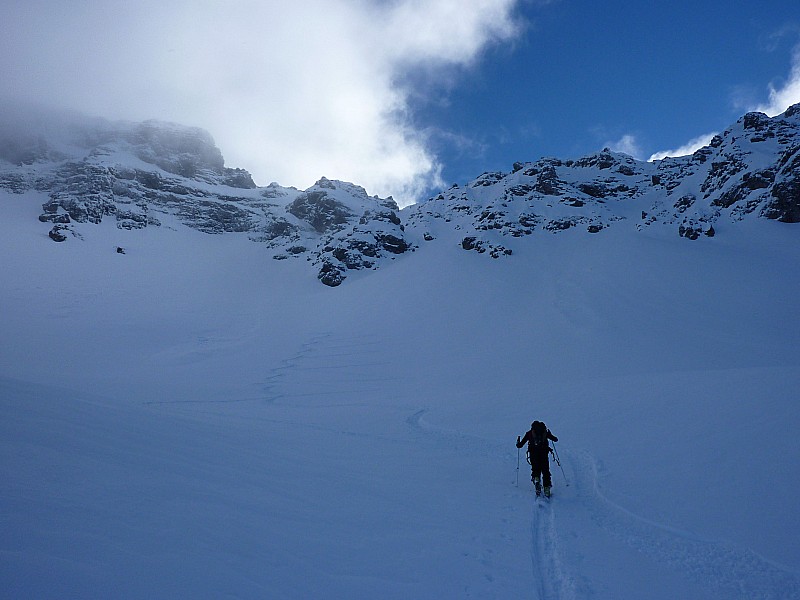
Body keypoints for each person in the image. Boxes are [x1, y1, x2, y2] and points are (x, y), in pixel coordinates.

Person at [516, 420, 558, 497]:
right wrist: (550, 435)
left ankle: (536, 480)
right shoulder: (545, 432)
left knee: (536, 469)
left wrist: (518, 443)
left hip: (533, 454)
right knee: (545, 470)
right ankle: (547, 488)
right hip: (544, 454)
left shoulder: (529, 433)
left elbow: (520, 445)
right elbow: (555, 439)